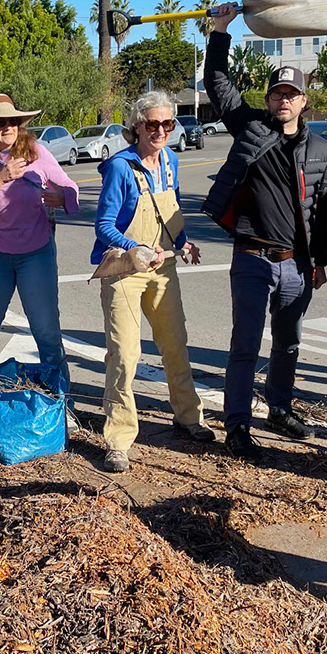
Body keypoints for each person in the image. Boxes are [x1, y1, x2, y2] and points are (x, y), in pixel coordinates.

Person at [203, 4, 327, 460]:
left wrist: (320, 262)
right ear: (269, 98)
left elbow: (321, 211)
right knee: (245, 344)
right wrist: (220, 31)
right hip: (252, 258)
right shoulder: (251, 129)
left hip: (297, 265)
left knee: (289, 343)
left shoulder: (322, 149)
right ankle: (237, 425)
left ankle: (279, 409)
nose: (284, 100)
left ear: (304, 100)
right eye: (277, 93)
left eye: (291, 94)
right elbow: (218, 85)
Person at [92, 90, 212, 473]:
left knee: (175, 343)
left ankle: (188, 417)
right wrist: (136, 248)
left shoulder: (170, 161)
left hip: (163, 267)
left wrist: (183, 242)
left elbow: (169, 209)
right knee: (124, 354)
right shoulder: (120, 167)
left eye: (167, 123)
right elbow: (103, 225)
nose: (160, 131)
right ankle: (118, 440)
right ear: (137, 126)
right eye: (152, 124)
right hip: (123, 271)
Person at [0, 93, 80, 387]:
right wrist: (1, 177)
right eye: (1, 123)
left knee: (46, 331)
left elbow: (71, 188)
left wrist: (62, 196)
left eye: (13, 121)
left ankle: (61, 397)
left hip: (36, 254)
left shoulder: (37, 152)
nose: (8, 127)